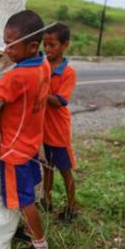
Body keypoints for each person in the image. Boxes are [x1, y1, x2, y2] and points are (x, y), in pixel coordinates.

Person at [0, 10, 51, 249]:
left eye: (11, 46)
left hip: (14, 150)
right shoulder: (43, 64)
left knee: (25, 200)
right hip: (31, 142)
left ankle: (40, 247)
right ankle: (27, 232)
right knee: (27, 196)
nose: (6, 50)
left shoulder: (17, 76)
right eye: (4, 42)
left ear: (32, 46)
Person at [41, 22, 78, 221]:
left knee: (65, 171)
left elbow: (59, 102)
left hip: (59, 130)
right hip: (43, 129)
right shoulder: (43, 65)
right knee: (47, 167)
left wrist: (40, 91)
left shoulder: (68, 72)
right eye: (45, 45)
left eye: (52, 45)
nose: (47, 49)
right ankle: (46, 201)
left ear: (65, 45)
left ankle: (72, 207)